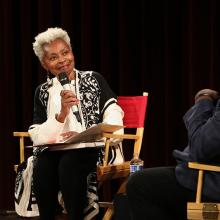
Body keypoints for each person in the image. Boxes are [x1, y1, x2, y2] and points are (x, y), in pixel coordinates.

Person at [28, 27, 124, 220]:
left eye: (65, 52)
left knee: (69, 163)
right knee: (41, 166)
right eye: (53, 57)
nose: (63, 60)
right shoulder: (42, 91)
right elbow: (37, 133)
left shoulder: (93, 79)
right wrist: (61, 115)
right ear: (44, 64)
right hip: (57, 150)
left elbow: (113, 112)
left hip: (93, 147)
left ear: (72, 52)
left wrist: (91, 133)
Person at [121, 89, 220, 220]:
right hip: (206, 174)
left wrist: (203, 100)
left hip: (211, 183)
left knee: (139, 185)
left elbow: (199, 147)